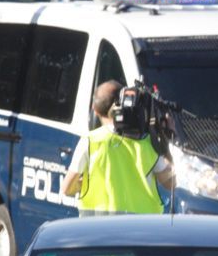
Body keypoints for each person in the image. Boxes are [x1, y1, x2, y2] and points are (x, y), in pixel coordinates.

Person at [62, 80, 173, 215]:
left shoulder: (91, 141)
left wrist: (83, 184)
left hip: (96, 230)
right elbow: (170, 183)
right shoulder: (148, 143)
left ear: (95, 110)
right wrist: (164, 140)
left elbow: (67, 189)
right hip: (141, 229)